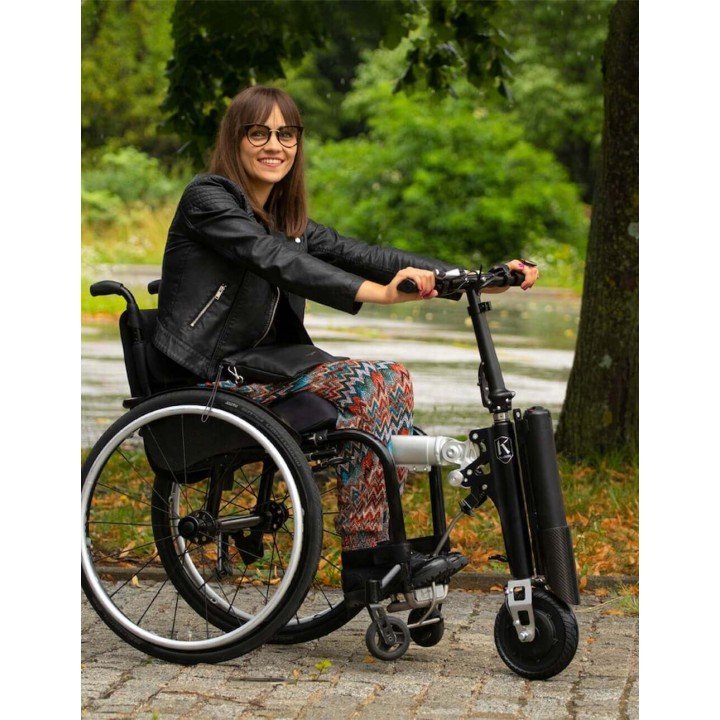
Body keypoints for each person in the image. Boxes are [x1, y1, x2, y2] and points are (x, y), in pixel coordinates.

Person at [154, 86, 538, 599]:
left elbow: (369, 256)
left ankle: (382, 548)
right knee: (365, 382)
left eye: (286, 134)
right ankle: (366, 555)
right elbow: (273, 259)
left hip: (265, 368)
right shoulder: (208, 199)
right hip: (210, 373)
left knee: (391, 378)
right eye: (259, 133)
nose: (275, 146)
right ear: (235, 140)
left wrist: (475, 279)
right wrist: (378, 294)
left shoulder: (288, 223)